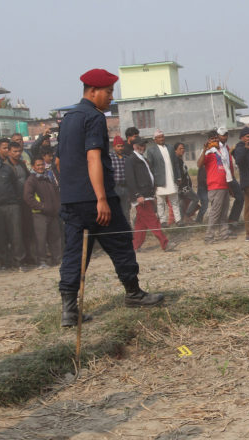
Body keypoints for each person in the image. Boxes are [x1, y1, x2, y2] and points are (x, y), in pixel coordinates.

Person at [57, 68, 163, 327]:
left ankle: (69, 311)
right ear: (93, 91)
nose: (111, 98)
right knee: (121, 242)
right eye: (108, 92)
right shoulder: (93, 116)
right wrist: (101, 199)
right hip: (95, 199)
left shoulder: (68, 119)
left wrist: (73, 191)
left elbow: (59, 162)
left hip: (71, 200)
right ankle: (134, 294)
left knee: (74, 254)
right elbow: (93, 157)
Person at [125, 138, 172, 252]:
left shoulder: (143, 159)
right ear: (134, 146)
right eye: (140, 145)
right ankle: (165, 243)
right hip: (141, 196)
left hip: (148, 194)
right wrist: (138, 194)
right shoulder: (131, 160)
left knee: (141, 224)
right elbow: (130, 179)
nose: (143, 147)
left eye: (144, 145)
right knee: (152, 220)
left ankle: (134, 247)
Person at [23, 157, 62, 268]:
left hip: (52, 213)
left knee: (55, 237)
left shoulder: (48, 177)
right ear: (33, 167)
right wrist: (42, 206)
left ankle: (57, 259)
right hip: (39, 214)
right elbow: (28, 197)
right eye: (38, 165)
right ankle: (42, 262)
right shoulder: (31, 180)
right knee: (41, 239)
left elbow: (56, 193)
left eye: (42, 165)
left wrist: (56, 206)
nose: (40, 167)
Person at [197, 130, 233, 243]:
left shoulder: (221, 151)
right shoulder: (208, 153)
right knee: (215, 212)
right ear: (208, 141)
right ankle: (209, 236)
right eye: (212, 139)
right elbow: (199, 164)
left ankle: (224, 233)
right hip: (215, 186)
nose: (215, 141)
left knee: (224, 212)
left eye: (216, 139)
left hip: (224, 184)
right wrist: (204, 150)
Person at [0, 139, 25, 270]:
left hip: (12, 205)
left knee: (16, 235)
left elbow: (16, 186)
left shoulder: (7, 169)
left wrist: (17, 200)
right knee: (0, 236)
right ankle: (4, 263)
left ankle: (19, 262)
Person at [146, 129, 183, 227]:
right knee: (160, 202)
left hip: (172, 179)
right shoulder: (151, 150)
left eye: (162, 137)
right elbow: (150, 167)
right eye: (159, 137)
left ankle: (178, 220)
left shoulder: (170, 148)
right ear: (155, 139)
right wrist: (153, 182)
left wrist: (178, 177)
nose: (161, 139)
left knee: (174, 201)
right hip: (159, 181)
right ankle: (163, 221)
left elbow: (176, 163)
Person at [217, 127, 244, 230]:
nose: (225, 137)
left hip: (230, 177)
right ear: (218, 136)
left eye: (226, 135)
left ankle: (232, 220)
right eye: (223, 135)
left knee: (240, 197)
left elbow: (230, 164)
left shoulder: (227, 148)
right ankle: (219, 226)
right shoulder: (216, 148)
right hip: (221, 179)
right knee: (222, 203)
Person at [173, 142, 200, 222]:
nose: (183, 150)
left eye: (183, 148)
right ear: (175, 150)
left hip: (182, 187)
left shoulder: (180, 160)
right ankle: (187, 215)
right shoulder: (176, 161)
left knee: (182, 203)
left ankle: (181, 221)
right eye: (180, 149)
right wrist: (182, 187)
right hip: (183, 187)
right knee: (195, 198)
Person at [109, 135, 130, 221]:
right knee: (115, 209)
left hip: (125, 187)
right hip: (115, 187)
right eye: (118, 146)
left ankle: (127, 229)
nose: (120, 148)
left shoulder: (126, 158)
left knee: (126, 209)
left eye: (122, 146)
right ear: (114, 147)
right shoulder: (110, 157)